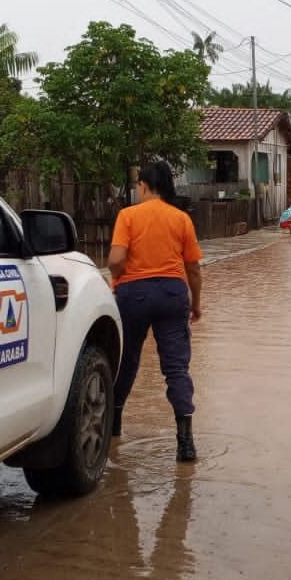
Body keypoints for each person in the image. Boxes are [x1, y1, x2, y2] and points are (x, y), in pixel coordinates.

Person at [107, 161, 202, 462]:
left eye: (138, 185)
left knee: (127, 359)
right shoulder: (181, 219)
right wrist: (196, 303)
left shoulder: (128, 216)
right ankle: (185, 441)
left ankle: (113, 427)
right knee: (176, 367)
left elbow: (115, 260)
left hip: (133, 295)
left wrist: (119, 277)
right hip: (173, 294)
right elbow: (194, 269)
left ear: (145, 185)